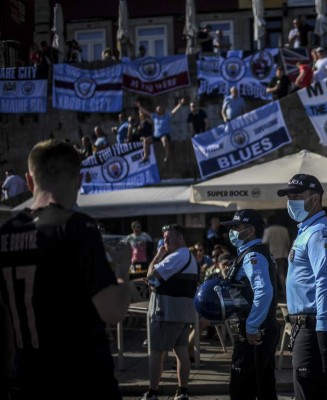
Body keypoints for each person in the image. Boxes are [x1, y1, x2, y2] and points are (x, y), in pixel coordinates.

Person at [0, 139, 131, 399]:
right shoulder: (77, 227)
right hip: (81, 380)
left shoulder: (4, 234)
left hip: (25, 379)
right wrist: (123, 271)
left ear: (28, 180)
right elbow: (113, 311)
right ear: (80, 180)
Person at [276, 173, 327, 400]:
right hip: (304, 326)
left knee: (309, 393)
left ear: (314, 199)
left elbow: (325, 283)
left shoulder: (319, 233)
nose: (291, 201)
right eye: (289, 196)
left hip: (313, 326)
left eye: (297, 195)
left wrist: (324, 332)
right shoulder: (307, 230)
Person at [220, 209, 281, 400]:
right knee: (263, 387)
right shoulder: (252, 253)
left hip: (254, 331)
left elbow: (264, 291)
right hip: (258, 327)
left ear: (250, 230)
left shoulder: (252, 256)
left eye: (236, 227)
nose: (231, 232)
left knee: (242, 389)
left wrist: (252, 326)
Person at [143, 223, 198, 400]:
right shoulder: (185, 255)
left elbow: (152, 275)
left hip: (168, 312)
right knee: (181, 352)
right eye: (163, 239)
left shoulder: (176, 256)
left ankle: (152, 392)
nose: (164, 242)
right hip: (181, 312)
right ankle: (182, 392)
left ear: (180, 238)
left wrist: (157, 256)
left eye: (168, 238)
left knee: (156, 352)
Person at [137, 98, 185, 163]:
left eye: (159, 109)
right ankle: (145, 156)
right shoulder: (154, 116)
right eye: (157, 109)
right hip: (156, 136)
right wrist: (139, 106)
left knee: (164, 139)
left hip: (164, 135)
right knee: (146, 140)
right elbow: (146, 112)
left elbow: (174, 111)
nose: (157, 110)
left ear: (163, 110)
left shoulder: (167, 116)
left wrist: (180, 105)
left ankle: (167, 155)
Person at [262, 215, 291, 301]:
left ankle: (274, 291)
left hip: (272, 254)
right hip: (283, 254)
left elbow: (265, 242)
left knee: (272, 273)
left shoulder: (268, 230)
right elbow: (288, 242)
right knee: (281, 273)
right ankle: (284, 290)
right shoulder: (284, 229)